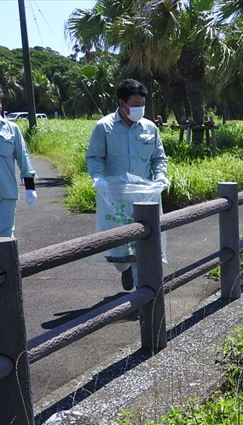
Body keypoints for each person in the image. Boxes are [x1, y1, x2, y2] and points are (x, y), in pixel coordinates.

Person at [86, 78, 168, 290]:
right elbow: (94, 157)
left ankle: (144, 295)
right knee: (120, 247)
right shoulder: (104, 127)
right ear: (122, 103)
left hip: (144, 196)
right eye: (135, 105)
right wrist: (98, 178)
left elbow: (159, 158)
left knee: (146, 243)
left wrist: (160, 176)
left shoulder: (150, 128)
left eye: (142, 104)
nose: (140, 108)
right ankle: (125, 270)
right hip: (115, 197)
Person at [0, 81, 36, 240]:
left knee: (6, 236)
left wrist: (30, 187)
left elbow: (23, 157)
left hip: (6, 192)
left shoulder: (11, 128)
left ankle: (9, 266)